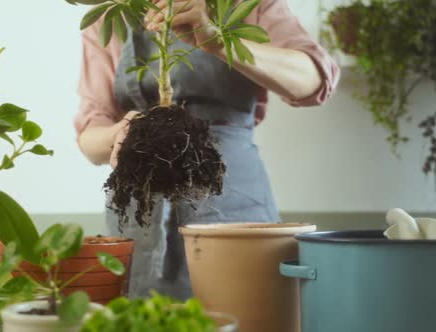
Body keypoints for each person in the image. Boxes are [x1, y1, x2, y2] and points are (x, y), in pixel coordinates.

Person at [74, 0, 340, 300]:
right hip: (140, 212)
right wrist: (120, 133)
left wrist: (221, 41)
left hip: (234, 199)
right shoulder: (114, 13)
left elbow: (315, 78)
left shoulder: (247, 4)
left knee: (244, 309)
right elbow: (89, 135)